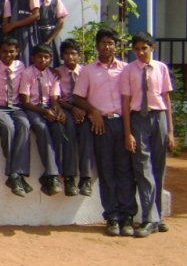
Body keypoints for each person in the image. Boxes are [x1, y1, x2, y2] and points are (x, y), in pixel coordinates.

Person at [72, 29, 135, 237]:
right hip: (101, 125)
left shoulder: (126, 69)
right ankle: (112, 217)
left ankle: (127, 216)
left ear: (116, 46)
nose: (107, 47)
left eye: (111, 43)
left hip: (123, 124)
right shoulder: (88, 71)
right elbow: (77, 97)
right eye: (103, 43)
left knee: (124, 171)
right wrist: (94, 111)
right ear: (97, 46)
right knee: (106, 171)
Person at [121, 32, 175, 238]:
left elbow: (166, 99)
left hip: (158, 117)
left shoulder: (161, 68)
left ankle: (157, 217)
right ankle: (149, 218)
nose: (141, 52)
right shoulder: (129, 70)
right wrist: (128, 132)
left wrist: (170, 131)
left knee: (158, 168)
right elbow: (126, 103)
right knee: (143, 168)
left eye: (144, 48)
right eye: (137, 49)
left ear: (152, 47)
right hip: (138, 119)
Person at [0, 38, 33, 196]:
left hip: (16, 107)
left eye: (12, 51)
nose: (8, 55)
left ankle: (15, 174)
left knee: (25, 125)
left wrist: (55, 71)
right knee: (8, 127)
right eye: (4, 51)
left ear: (17, 52)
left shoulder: (21, 66)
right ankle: (15, 176)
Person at [18, 43, 64, 195]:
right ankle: (52, 174)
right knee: (41, 128)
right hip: (33, 109)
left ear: (51, 59)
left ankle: (60, 171)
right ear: (33, 58)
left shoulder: (53, 74)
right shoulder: (27, 73)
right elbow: (25, 102)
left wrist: (57, 110)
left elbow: (54, 98)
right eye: (39, 57)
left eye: (46, 57)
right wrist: (44, 112)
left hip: (47, 108)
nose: (42, 60)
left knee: (59, 128)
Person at [55, 40, 93, 196]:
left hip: (83, 109)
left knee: (86, 131)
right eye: (66, 53)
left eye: (73, 53)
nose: (70, 57)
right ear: (62, 55)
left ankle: (86, 178)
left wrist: (83, 109)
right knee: (68, 130)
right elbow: (56, 98)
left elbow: (91, 94)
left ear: (79, 55)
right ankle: (69, 177)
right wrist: (72, 109)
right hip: (66, 107)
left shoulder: (86, 71)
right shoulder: (56, 72)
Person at [2, 0, 40, 66]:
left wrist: (13, 25)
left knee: (25, 57)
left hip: (26, 31)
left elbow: (36, 15)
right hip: (13, 32)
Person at [35, 0, 68, 67]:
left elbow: (60, 23)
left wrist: (50, 39)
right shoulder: (35, 3)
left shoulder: (56, 2)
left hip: (52, 35)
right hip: (38, 35)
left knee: (53, 60)